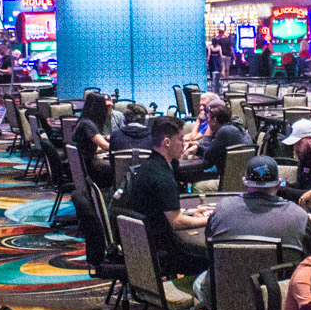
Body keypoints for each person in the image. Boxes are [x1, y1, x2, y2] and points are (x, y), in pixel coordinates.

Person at [119, 115, 212, 276]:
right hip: (161, 250)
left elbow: (159, 210)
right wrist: (211, 219)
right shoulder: (162, 176)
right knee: (212, 258)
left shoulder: (149, 166)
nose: (184, 143)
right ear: (167, 142)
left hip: (144, 244)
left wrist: (191, 214)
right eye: (181, 139)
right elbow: (176, 223)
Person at [205, 154, 311, 253]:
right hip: (282, 275)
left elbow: (209, 252)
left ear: (244, 182)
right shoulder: (299, 216)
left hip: (225, 274)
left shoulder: (221, 210)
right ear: (278, 184)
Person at [181, 102, 249, 183]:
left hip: (227, 181)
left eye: (209, 118)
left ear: (214, 120)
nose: (207, 121)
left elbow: (209, 156)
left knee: (192, 181)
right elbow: (213, 152)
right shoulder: (232, 128)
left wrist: (197, 149)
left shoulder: (224, 132)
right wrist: (197, 148)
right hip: (236, 178)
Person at [72, 91, 114, 187]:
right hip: (89, 170)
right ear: (99, 108)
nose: (110, 108)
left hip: (83, 166)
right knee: (119, 171)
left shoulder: (85, 121)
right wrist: (123, 145)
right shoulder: (88, 124)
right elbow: (105, 145)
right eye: (107, 106)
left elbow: (89, 148)